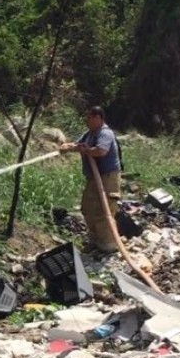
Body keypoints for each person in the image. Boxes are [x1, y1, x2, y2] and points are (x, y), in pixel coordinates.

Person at [60, 106, 123, 253]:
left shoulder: (105, 133)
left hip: (107, 178)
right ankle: (95, 240)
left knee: (104, 210)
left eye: (89, 117)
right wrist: (67, 147)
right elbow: (78, 145)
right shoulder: (89, 134)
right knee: (88, 208)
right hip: (93, 178)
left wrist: (86, 150)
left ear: (98, 118)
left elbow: (101, 150)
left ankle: (107, 245)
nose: (86, 120)